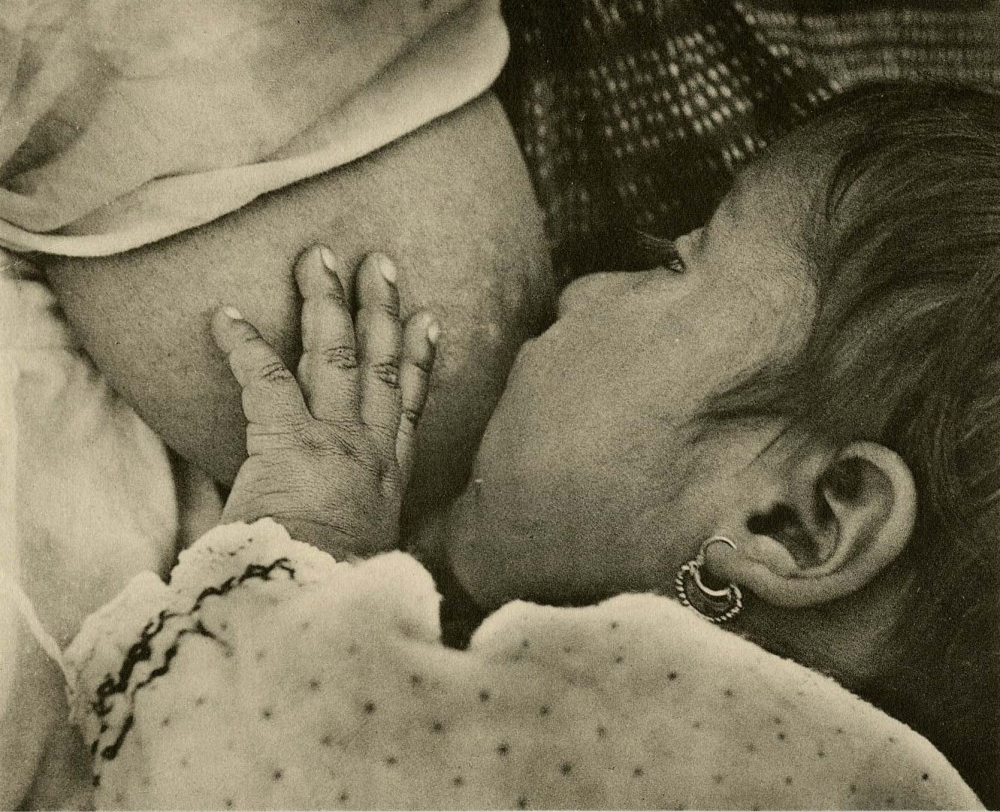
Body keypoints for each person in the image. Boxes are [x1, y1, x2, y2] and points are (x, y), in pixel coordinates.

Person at [121, 82, 993, 806]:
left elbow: (215, 769)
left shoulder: (694, 751)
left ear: (793, 523)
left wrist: (308, 542)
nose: (580, 286)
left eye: (676, 265)